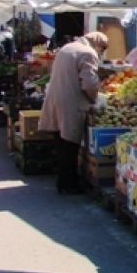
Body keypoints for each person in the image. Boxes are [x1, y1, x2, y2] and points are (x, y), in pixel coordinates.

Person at [39, 31, 108, 194]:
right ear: (96, 43)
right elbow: (89, 83)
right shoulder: (88, 53)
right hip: (71, 102)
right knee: (71, 144)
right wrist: (94, 99)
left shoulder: (67, 48)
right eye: (103, 48)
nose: (102, 52)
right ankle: (68, 183)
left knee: (61, 143)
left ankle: (63, 181)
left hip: (55, 99)